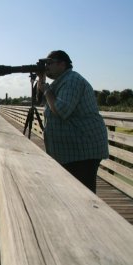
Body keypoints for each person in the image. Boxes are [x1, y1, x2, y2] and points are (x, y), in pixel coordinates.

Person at [37, 50, 109, 193]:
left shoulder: (72, 80)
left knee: (84, 195)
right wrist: (42, 83)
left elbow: (60, 109)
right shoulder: (61, 81)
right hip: (72, 150)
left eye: (49, 63)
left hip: (83, 149)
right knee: (72, 193)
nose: (46, 66)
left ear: (62, 64)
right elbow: (41, 101)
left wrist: (46, 89)